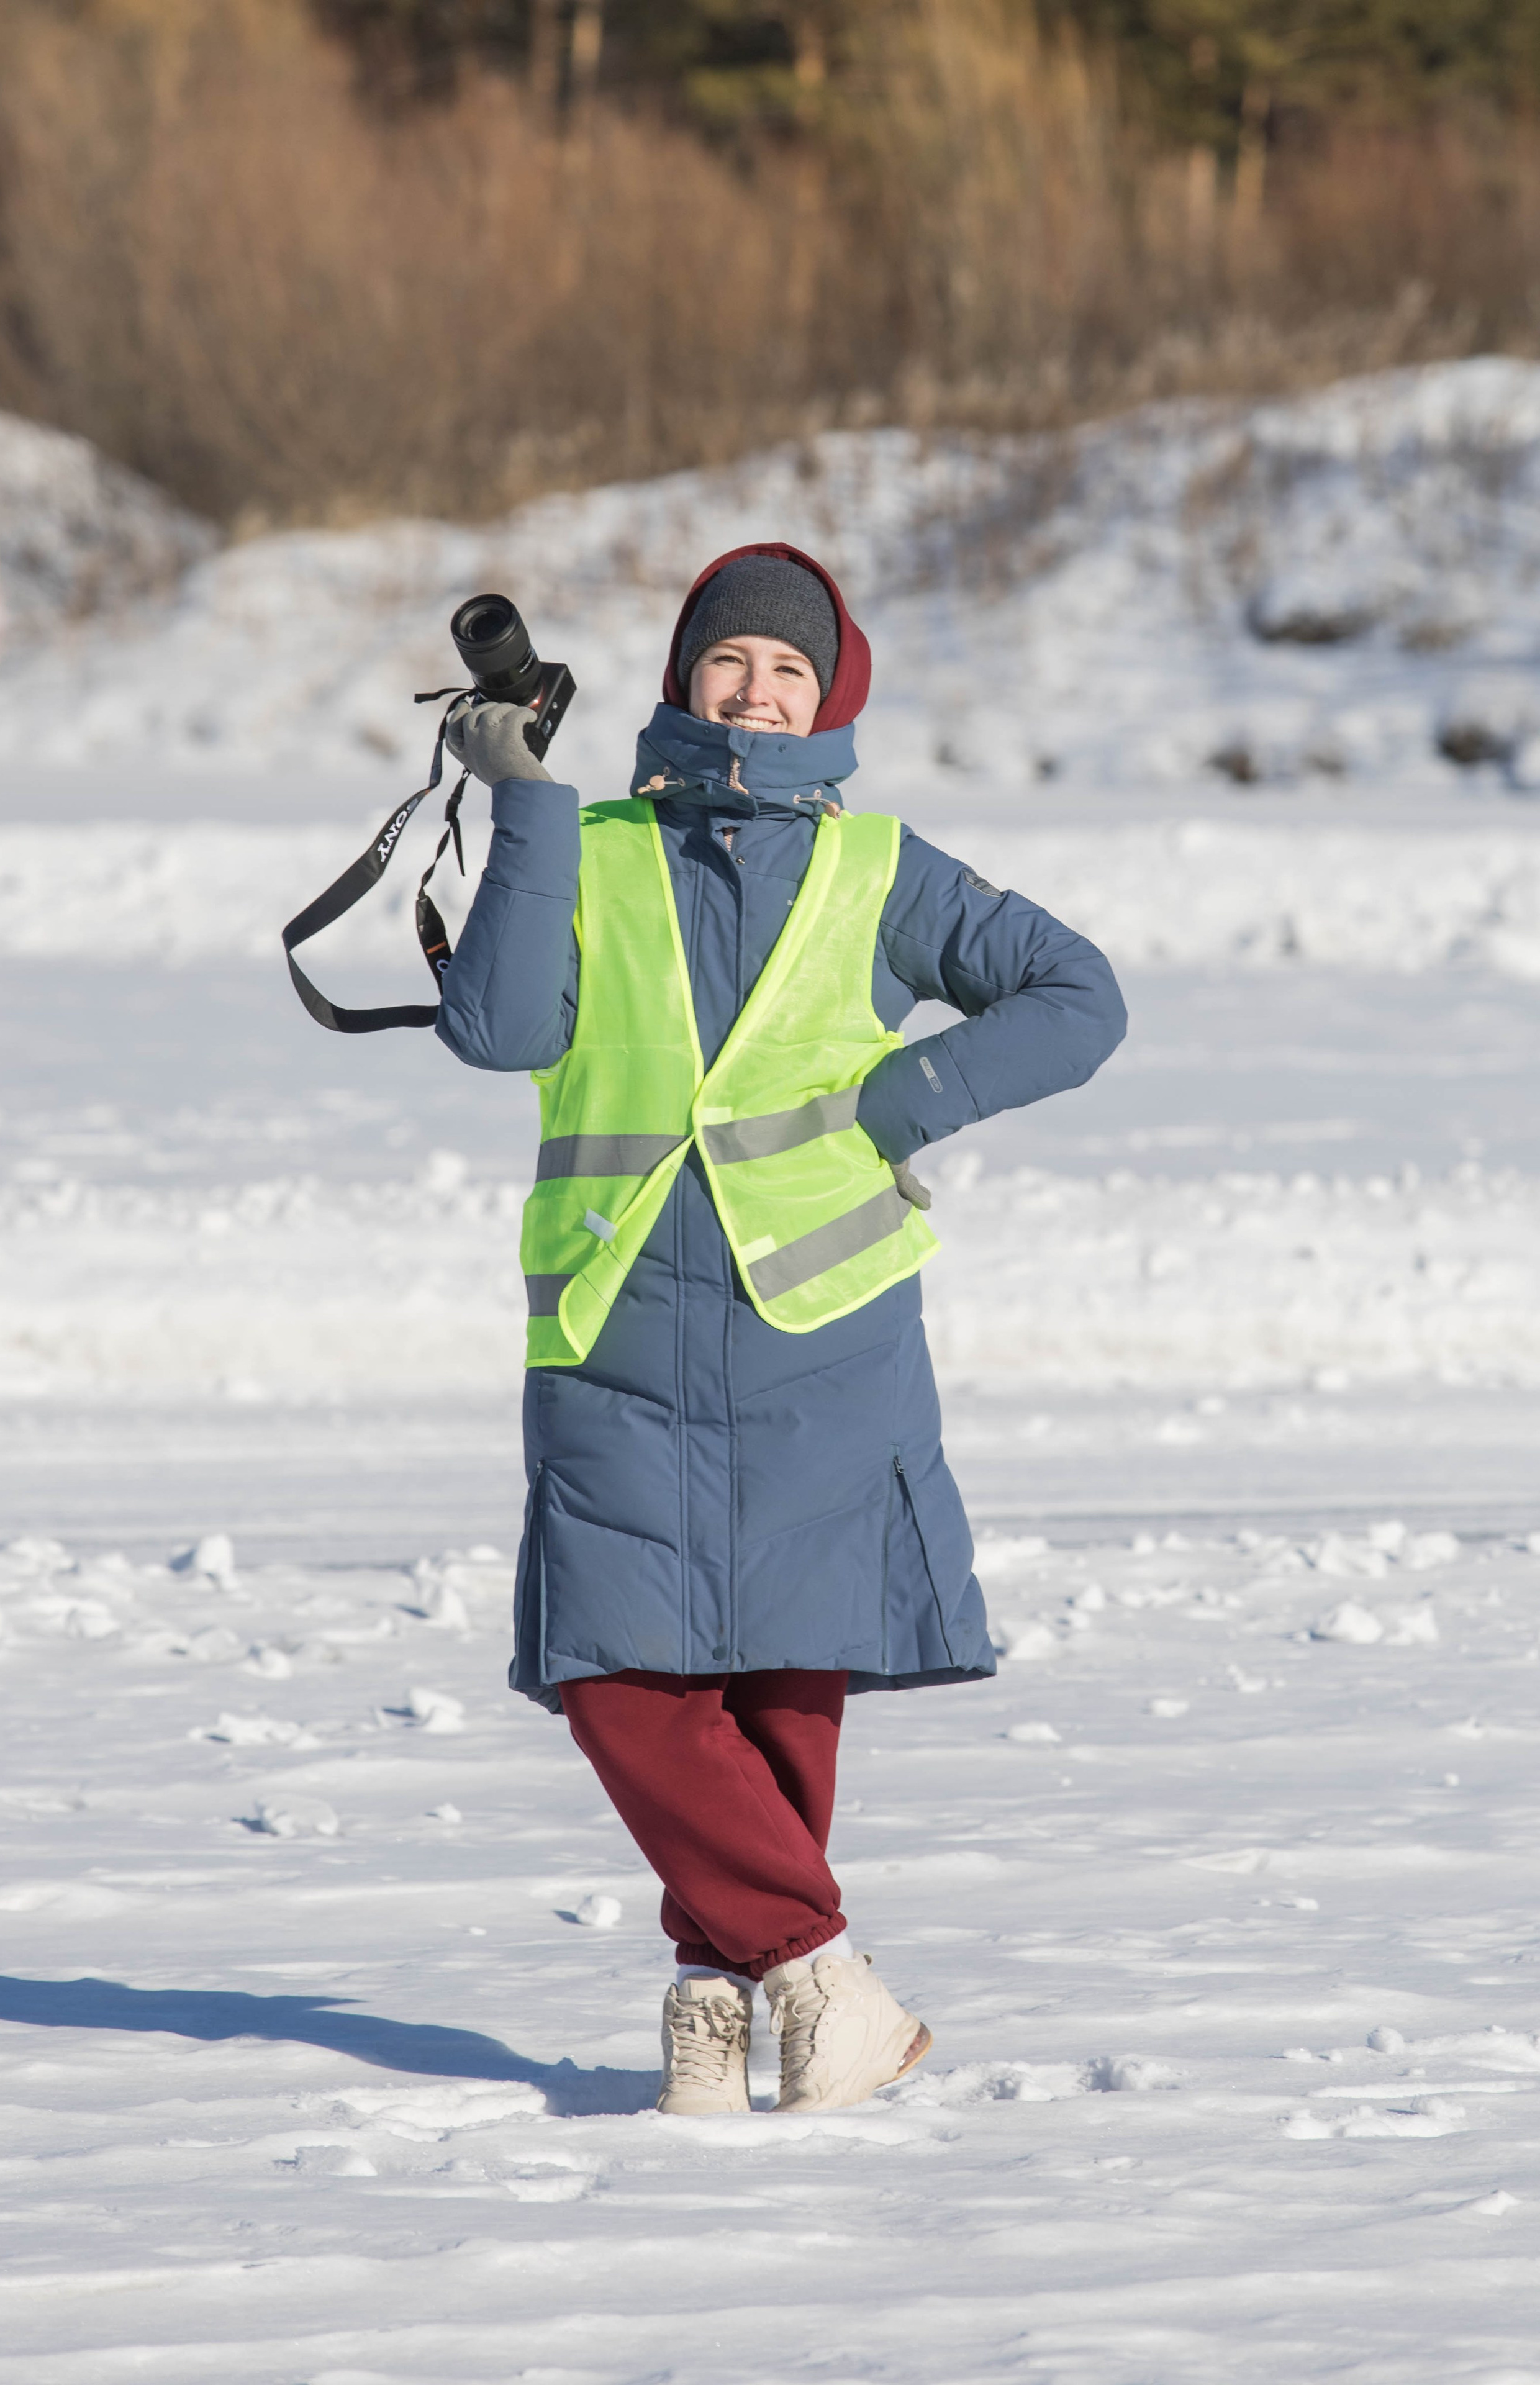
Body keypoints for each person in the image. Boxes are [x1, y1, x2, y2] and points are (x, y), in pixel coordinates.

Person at [435, 544, 1126, 2116]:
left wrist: (908, 1095)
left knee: (778, 1696)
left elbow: (1075, 995)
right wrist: (524, 804)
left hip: (820, 1330)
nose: (754, 693)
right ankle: (815, 1975)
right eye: (729, 664)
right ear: (680, 682)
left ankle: (715, 1999)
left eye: (787, 673)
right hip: (612, 1323)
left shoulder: (879, 869)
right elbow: (496, 1029)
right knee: (616, 1677)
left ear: (830, 700)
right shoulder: (588, 842)